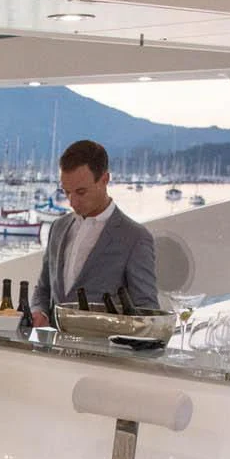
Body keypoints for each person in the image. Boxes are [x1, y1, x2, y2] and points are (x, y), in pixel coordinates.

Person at [29, 139, 156, 325]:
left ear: (104, 180)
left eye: (81, 192)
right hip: (52, 349)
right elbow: (43, 288)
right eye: (66, 192)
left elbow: (147, 311)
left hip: (103, 350)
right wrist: (39, 311)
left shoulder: (135, 238)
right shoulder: (58, 227)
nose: (72, 202)